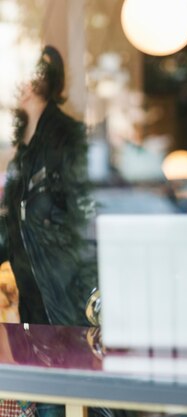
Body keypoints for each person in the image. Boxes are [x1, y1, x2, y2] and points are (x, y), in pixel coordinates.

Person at [0, 45, 96, 327]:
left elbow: (88, 225)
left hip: (66, 313)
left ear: (30, 83)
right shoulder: (23, 154)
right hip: (36, 314)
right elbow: (12, 229)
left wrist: (91, 302)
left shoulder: (68, 140)